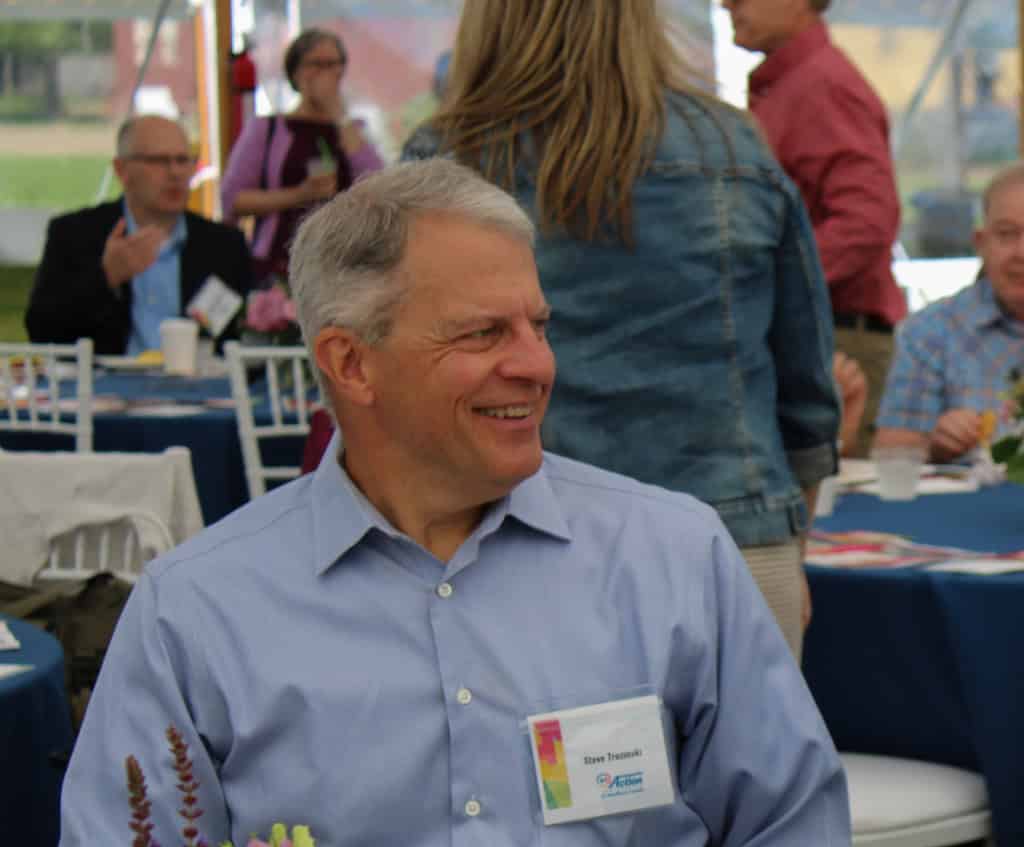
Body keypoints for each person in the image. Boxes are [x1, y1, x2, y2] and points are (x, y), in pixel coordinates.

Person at [0, 159, 869, 847]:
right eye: (483, 333)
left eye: (538, 326)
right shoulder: (199, 606)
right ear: (351, 362)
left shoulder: (670, 557)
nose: (534, 364)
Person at [401, 0, 839, 659]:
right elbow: (806, 389)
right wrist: (788, 536)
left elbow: (404, 383)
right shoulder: (730, 145)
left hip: (513, 545)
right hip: (735, 540)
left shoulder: (445, 158)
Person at [723, 0, 906, 457]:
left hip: (833, 344)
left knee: (831, 493)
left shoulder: (822, 86)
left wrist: (765, 283)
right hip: (820, 336)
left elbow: (866, 224)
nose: (726, 2)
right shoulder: (799, 84)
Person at [25, 116, 251, 356]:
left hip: (199, 379)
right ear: (121, 170)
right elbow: (41, 331)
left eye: (183, 160)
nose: (175, 172)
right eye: (159, 161)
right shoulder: (75, 234)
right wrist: (106, 278)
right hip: (103, 378)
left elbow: (240, 337)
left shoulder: (224, 246)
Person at [875, 164, 1024, 463]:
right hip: (967, 492)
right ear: (981, 243)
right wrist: (932, 444)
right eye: (1007, 234)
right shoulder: (930, 331)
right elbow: (889, 454)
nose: (1021, 253)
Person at [221, 27, 384, 283]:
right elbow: (233, 198)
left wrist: (338, 114)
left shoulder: (352, 130)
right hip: (279, 262)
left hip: (341, 265)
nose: (326, 74)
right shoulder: (268, 129)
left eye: (334, 64)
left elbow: (378, 185)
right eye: (316, 64)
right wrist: (299, 195)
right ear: (296, 72)